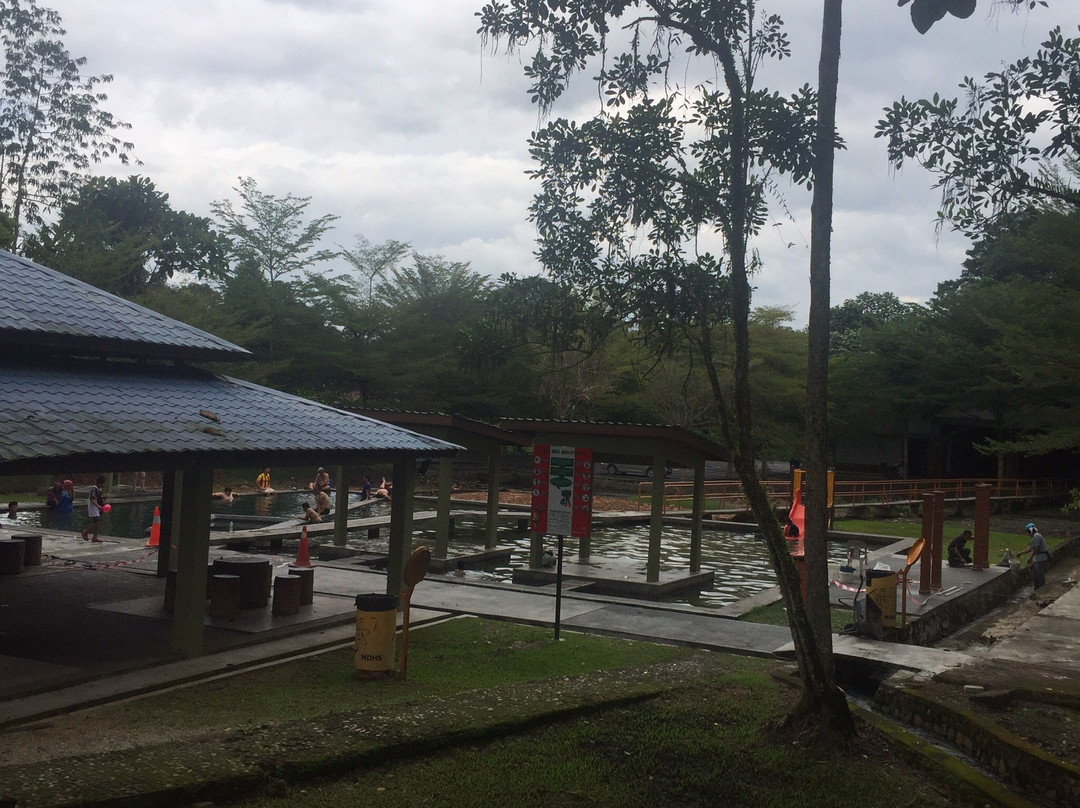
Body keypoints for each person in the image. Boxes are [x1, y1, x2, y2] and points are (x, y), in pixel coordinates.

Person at [1016, 522, 1049, 590]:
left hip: (1040, 558)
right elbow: (1030, 549)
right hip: (1037, 559)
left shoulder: (1037, 536)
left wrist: (1030, 558)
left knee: (1040, 575)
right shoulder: (1035, 537)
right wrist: (1020, 553)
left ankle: (1041, 590)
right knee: (1035, 575)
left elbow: (1037, 547)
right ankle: (1037, 588)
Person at [81, 477, 107, 542]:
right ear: (101, 483)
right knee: (97, 521)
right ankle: (86, 532)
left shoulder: (99, 490)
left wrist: (104, 498)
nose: (104, 485)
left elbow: (99, 499)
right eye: (103, 483)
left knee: (97, 522)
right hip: (94, 508)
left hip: (97, 508)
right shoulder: (94, 489)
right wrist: (98, 506)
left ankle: (94, 536)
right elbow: (92, 499)